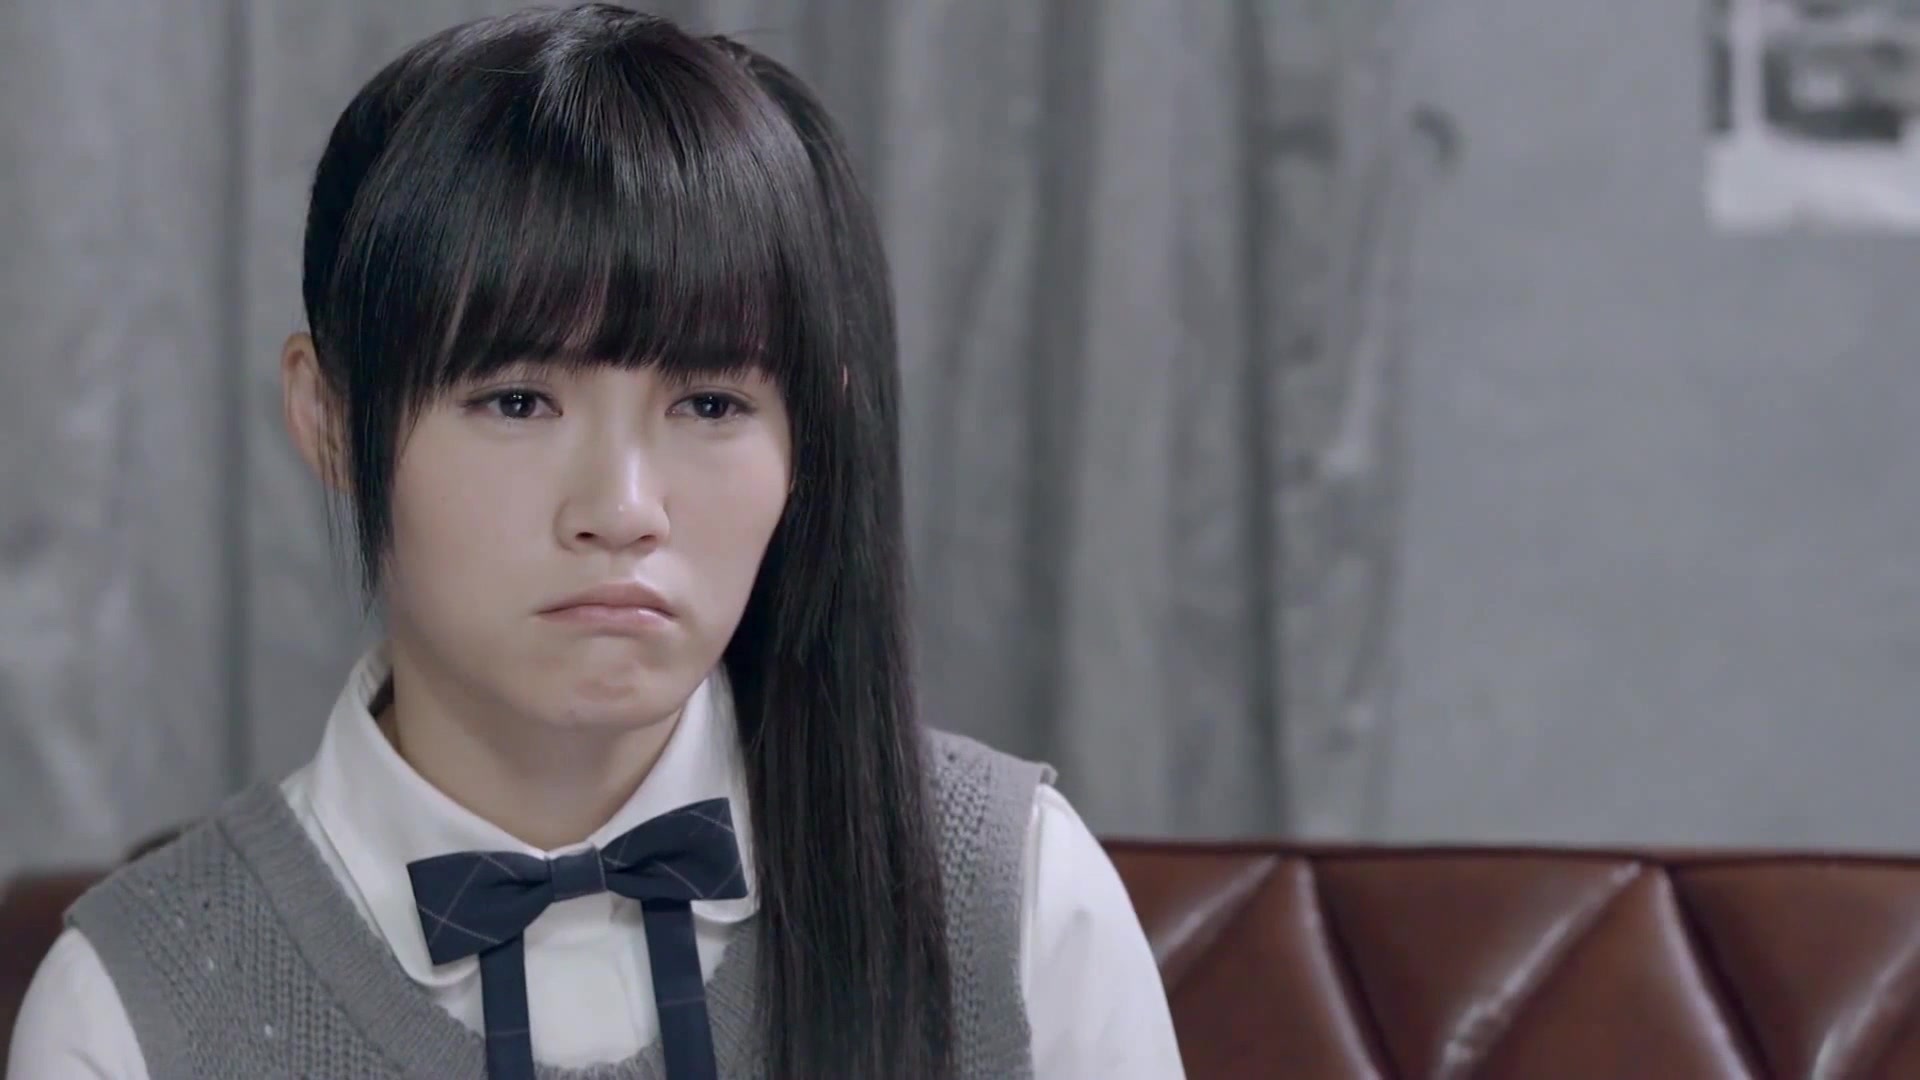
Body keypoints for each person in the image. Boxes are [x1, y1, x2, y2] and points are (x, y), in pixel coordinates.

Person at [5, 5, 1183, 1079]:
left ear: (807, 435)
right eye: (517, 401)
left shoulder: (1017, 900)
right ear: (327, 417)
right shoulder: (133, 1011)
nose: (622, 509)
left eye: (710, 404)